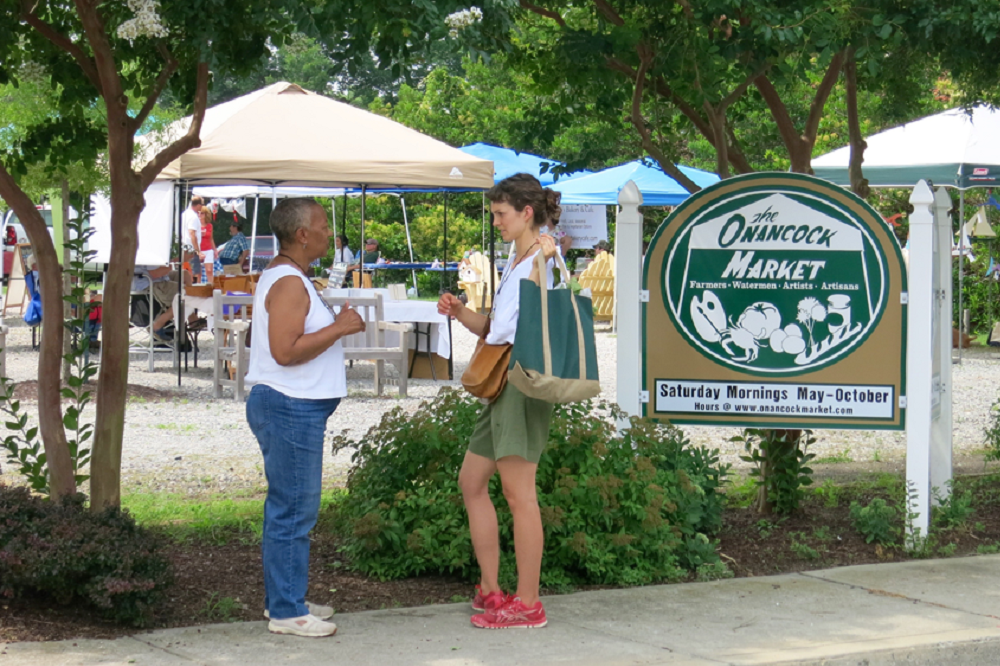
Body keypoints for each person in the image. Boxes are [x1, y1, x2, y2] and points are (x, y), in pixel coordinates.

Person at [437, 173, 560, 630]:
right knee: (472, 481)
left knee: (518, 493)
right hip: (501, 380)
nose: (497, 222)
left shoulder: (543, 255)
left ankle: (528, 603)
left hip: (522, 381)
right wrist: (458, 310)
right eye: (494, 214)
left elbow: (527, 323)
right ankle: (492, 588)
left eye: (501, 214)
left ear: (527, 212)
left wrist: (543, 259)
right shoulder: (517, 256)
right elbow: (493, 328)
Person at [244, 198, 366, 638]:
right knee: (293, 510)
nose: (328, 234)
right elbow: (285, 350)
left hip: (293, 406)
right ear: (301, 235)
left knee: (291, 507)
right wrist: (340, 326)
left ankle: (286, 596)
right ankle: (287, 612)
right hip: (289, 405)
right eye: (321, 226)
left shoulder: (288, 276)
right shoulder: (291, 283)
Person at [131, 265, 199, 342]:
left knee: (185, 274)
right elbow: (155, 273)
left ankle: (191, 318)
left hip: (152, 277)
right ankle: (157, 325)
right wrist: (171, 262)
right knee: (188, 293)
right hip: (147, 282)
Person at [183, 196, 204, 281]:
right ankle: (196, 291)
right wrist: (197, 251)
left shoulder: (184, 214)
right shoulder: (193, 217)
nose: (202, 207)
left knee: (186, 271)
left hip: (184, 246)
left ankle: (188, 290)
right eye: (202, 205)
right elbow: (192, 233)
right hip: (191, 248)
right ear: (198, 205)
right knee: (196, 273)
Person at [199, 207, 217, 282]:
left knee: (209, 271)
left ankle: (211, 287)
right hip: (198, 250)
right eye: (198, 213)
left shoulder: (209, 226)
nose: (199, 214)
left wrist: (215, 250)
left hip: (208, 249)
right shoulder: (195, 225)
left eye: (202, 213)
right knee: (198, 272)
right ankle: (198, 288)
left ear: (206, 214)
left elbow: (211, 238)